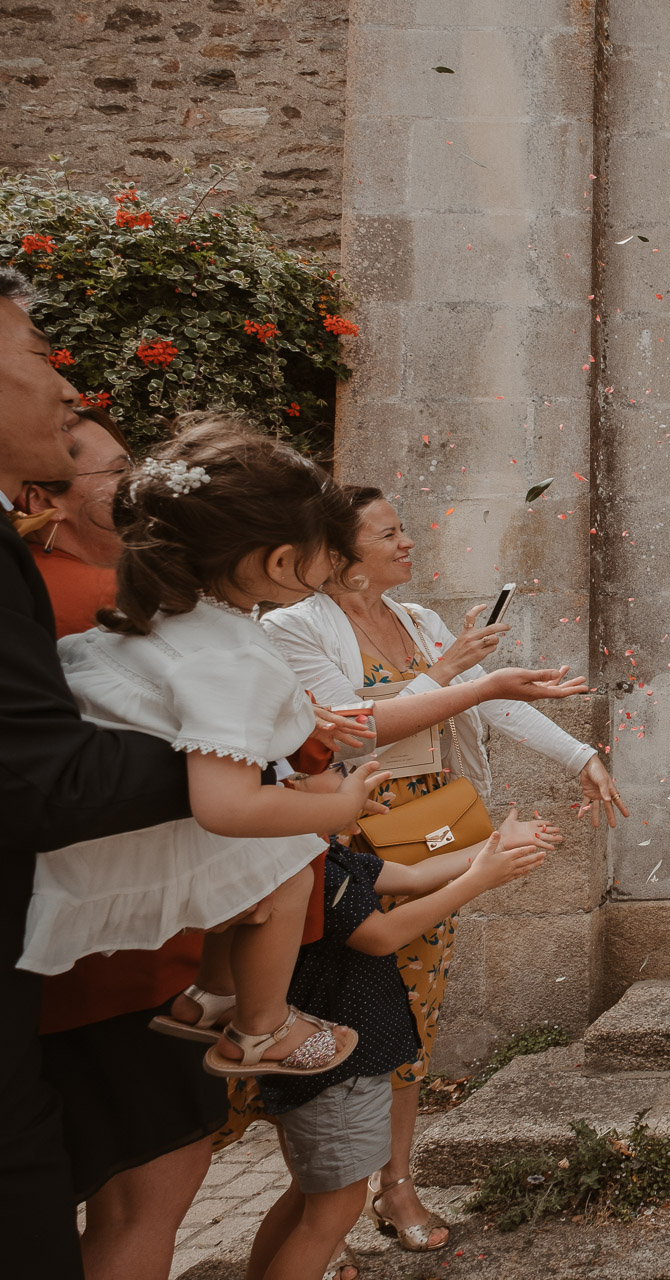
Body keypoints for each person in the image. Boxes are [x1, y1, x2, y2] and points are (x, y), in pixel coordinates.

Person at [257, 484, 607, 1250]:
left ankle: (397, 1185)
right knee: (334, 1010)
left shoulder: (416, 620)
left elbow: (491, 703)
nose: (409, 541)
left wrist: (581, 754)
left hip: (435, 828)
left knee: (411, 1013)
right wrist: (448, 670)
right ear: (344, 558)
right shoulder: (293, 628)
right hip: (350, 825)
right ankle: (320, 1209)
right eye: (390, 533)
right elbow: (344, 736)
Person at [22, 419, 386, 1083]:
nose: (334, 564)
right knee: (293, 858)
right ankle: (263, 1028)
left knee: (269, 850)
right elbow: (223, 805)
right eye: (327, 551)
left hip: (87, 823)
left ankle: (209, 998)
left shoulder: (154, 615)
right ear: (281, 563)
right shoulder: (234, 654)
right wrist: (336, 812)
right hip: (131, 841)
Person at [0, 266, 192, 1279]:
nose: (68, 385)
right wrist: (240, 764)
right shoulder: (79, 587)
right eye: (38, 353)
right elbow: (45, 770)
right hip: (104, 943)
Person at [17, 407, 225, 1280]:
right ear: (50, 496)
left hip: (127, 934)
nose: (134, 484)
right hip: (120, 950)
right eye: (112, 471)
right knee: (151, 1182)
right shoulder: (73, 597)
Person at [244, 827, 548, 1280]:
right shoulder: (312, 865)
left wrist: (496, 843)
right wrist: (478, 881)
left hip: (338, 1061)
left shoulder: (323, 852)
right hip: (336, 1069)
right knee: (331, 1213)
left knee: (306, 1200)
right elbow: (381, 935)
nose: (368, 789)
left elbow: (413, 875)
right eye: (337, 770)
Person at [18, 406, 126, 635]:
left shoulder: (18, 572)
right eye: (120, 471)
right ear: (42, 501)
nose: (139, 481)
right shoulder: (113, 593)